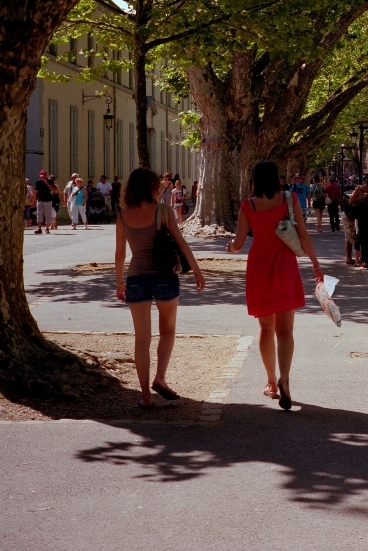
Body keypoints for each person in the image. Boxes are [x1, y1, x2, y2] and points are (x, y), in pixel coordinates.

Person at [226, 160, 323, 410]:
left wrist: (231, 248)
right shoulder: (289, 199)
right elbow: (302, 234)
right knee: (286, 331)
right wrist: (315, 265)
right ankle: (285, 379)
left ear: (254, 179)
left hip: (259, 268)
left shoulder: (248, 205)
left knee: (265, 328)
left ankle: (270, 381)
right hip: (285, 267)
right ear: (277, 177)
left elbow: (238, 243)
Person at [115, 167, 206, 408]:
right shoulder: (164, 211)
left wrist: (119, 282)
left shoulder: (123, 216)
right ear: (153, 186)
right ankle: (160, 378)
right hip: (164, 276)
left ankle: (145, 396)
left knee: (141, 339)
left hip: (136, 278)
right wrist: (196, 271)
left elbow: (119, 254)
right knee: (167, 331)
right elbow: (181, 243)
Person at [34, 169, 54, 234]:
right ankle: (39, 228)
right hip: (40, 200)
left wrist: (46, 182)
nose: (42, 177)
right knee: (39, 214)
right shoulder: (38, 182)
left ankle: (47, 228)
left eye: (43, 176)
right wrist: (35, 200)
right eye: (41, 176)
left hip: (48, 200)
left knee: (48, 214)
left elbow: (53, 189)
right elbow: (36, 191)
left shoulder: (50, 181)